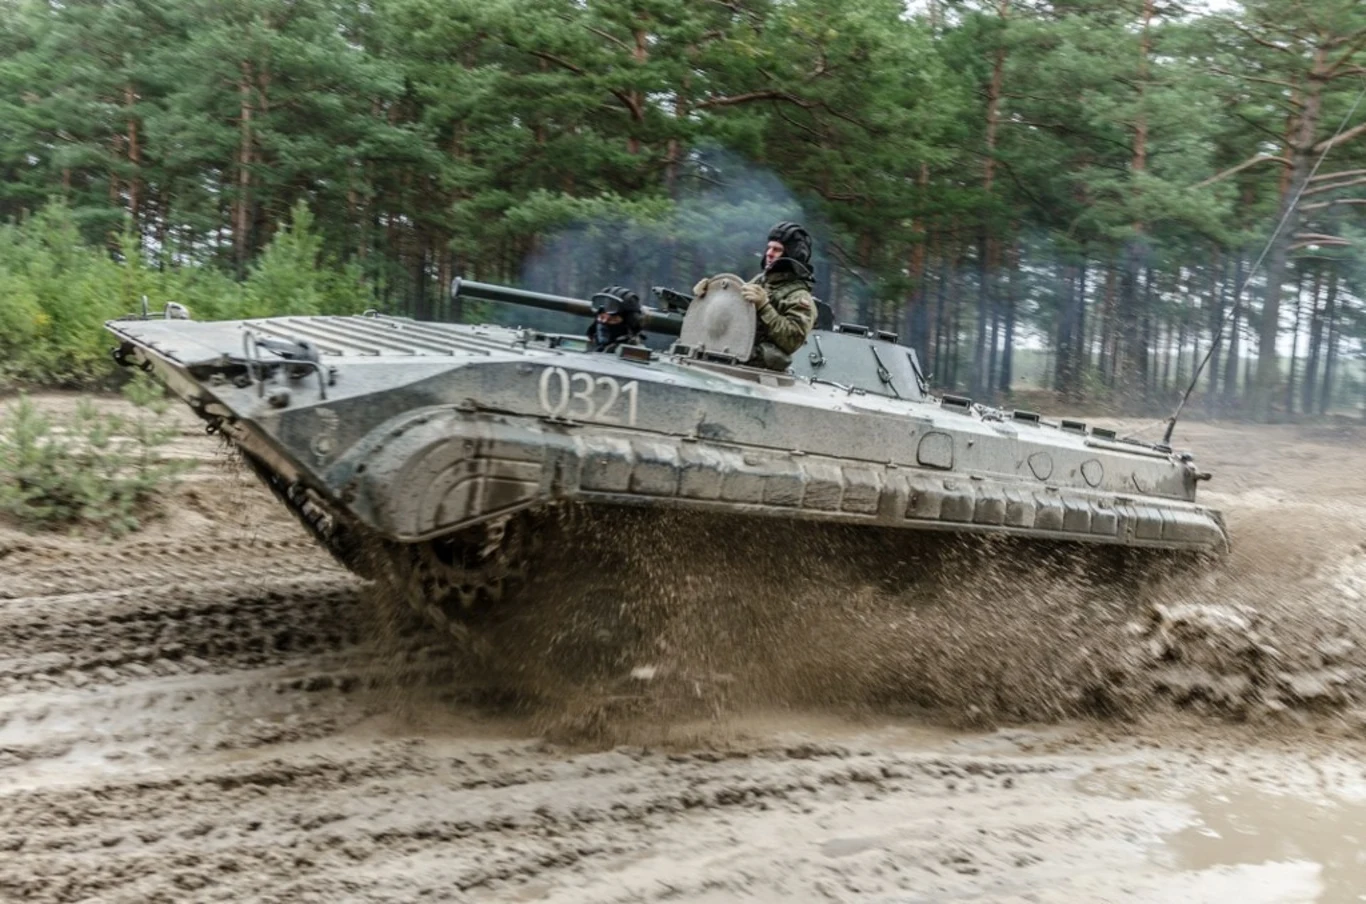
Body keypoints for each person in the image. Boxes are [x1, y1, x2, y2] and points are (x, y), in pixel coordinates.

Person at [694, 221, 818, 371]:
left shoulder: (799, 297)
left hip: (760, 370)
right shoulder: (760, 281)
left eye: (777, 250)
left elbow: (791, 341)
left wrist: (765, 307)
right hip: (731, 355)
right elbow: (730, 311)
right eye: (769, 247)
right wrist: (708, 295)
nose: (769, 253)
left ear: (792, 256)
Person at [587, 285, 645, 352]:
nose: (604, 322)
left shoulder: (635, 353)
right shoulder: (585, 346)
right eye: (601, 317)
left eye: (612, 320)